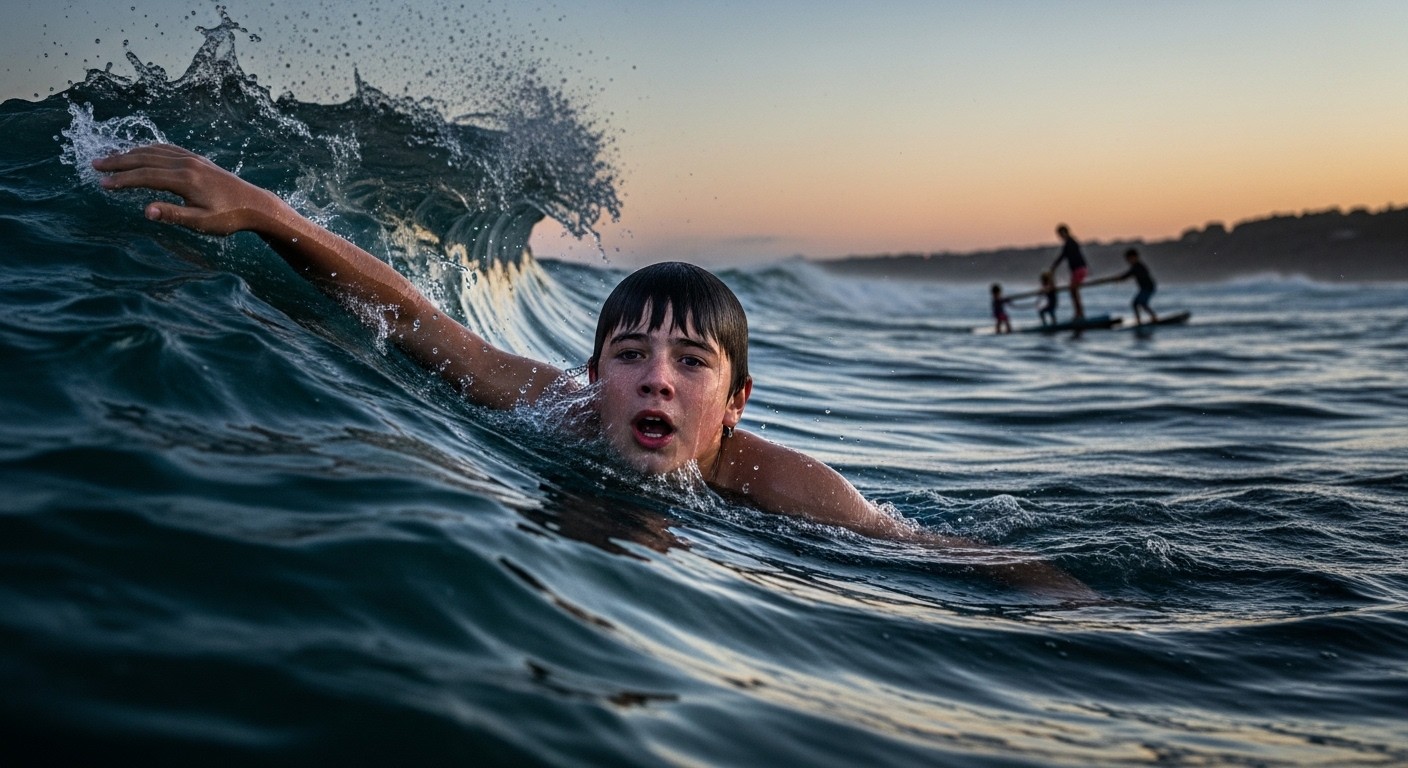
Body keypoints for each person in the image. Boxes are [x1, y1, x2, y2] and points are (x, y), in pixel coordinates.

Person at [91, 143, 1093, 598]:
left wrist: (1070, 605)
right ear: (593, 374)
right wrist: (265, 211)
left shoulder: (790, 490)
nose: (656, 378)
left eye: (690, 362)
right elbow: (414, 317)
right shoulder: (555, 415)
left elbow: (938, 557)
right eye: (631, 355)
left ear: (735, 404)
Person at [1050, 224, 1088, 321]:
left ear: (1064, 233)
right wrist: (1054, 266)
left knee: (1073, 291)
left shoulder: (1070, 243)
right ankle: (1079, 313)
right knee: (1073, 292)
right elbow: (1063, 256)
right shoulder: (1070, 243)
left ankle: (1079, 314)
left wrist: (1054, 266)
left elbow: (1063, 256)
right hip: (1077, 270)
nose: (1059, 237)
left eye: (1060, 234)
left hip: (1079, 269)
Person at [1116, 247, 1158, 325]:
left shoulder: (1139, 266)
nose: (1129, 261)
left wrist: (1121, 278)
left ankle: (1149, 318)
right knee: (1138, 304)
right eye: (1127, 260)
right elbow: (1129, 274)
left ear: (1135, 257)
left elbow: (1129, 274)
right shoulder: (1135, 267)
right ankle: (1142, 319)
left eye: (1129, 259)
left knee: (1139, 303)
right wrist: (1120, 278)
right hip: (1144, 288)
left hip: (1148, 288)